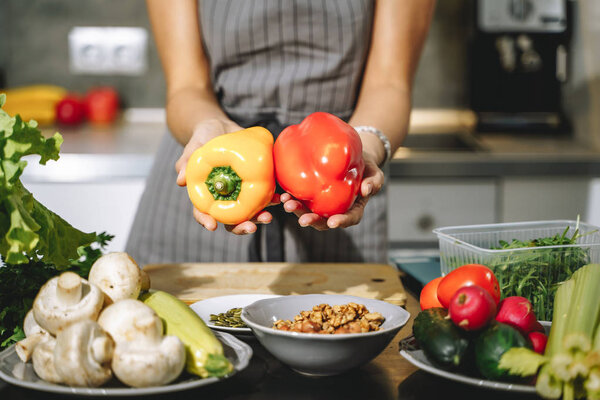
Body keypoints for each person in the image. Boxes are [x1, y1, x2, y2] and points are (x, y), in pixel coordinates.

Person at [126, 0, 435, 265]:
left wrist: (364, 145)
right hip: (212, 173)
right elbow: (186, 87)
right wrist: (207, 127)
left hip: (341, 176)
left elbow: (390, 83)